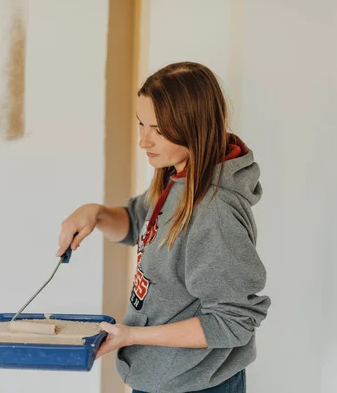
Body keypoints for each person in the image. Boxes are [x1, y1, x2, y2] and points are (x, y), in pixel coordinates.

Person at [56, 62, 271, 393]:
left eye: (157, 129)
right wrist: (96, 214)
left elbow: (234, 321)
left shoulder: (214, 213)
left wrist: (132, 336)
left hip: (196, 385)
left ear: (193, 126)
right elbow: (140, 224)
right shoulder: (178, 175)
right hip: (163, 376)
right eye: (141, 124)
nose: (143, 141)